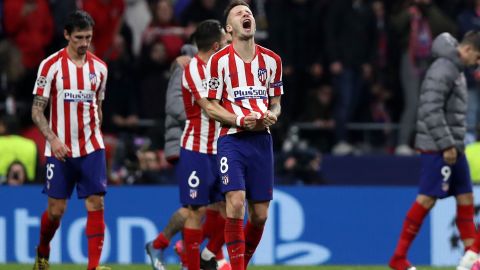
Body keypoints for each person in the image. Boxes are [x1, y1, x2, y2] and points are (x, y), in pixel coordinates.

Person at [389, 31, 480, 270]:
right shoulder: (443, 69)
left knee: (466, 198)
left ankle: (472, 258)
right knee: (427, 199)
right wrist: (446, 144)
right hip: (439, 147)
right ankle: (399, 259)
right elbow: (430, 109)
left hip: (454, 146)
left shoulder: (456, 69)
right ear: (468, 50)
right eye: (478, 57)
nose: (478, 63)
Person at [205, 1, 283, 269]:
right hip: (232, 141)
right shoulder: (218, 61)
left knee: (260, 216)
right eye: (239, 13)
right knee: (235, 202)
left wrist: (274, 114)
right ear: (229, 28)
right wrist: (238, 119)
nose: (246, 15)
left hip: (262, 140)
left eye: (248, 12)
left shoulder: (272, 60)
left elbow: (276, 101)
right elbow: (211, 106)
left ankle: (237, 264)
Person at [145, 27, 231, 270]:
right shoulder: (192, 69)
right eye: (225, 41)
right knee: (195, 210)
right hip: (196, 150)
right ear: (215, 46)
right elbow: (210, 108)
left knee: (233, 207)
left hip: (220, 150)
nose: (228, 45)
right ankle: (191, 263)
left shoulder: (222, 67)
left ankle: (204, 255)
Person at [31, 10, 110, 270]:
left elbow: (98, 106)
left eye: (88, 37)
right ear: (67, 35)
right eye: (79, 37)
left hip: (91, 148)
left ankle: (93, 266)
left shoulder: (100, 68)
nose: (84, 42)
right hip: (60, 150)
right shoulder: (50, 66)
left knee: (96, 202)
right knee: (55, 212)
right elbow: (36, 110)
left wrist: (96, 131)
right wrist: (53, 140)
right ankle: (43, 250)